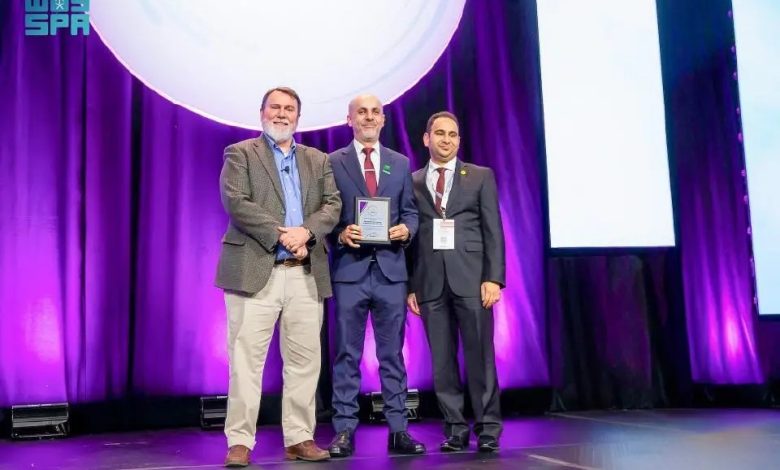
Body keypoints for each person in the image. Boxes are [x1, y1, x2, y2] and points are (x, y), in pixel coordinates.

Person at [215, 86, 341, 467]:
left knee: (305, 360)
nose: (282, 114)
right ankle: (240, 441)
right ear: (262, 113)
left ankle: (300, 437)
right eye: (275, 107)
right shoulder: (240, 153)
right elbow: (236, 201)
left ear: (298, 118)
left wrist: (306, 232)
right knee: (245, 361)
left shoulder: (317, 159)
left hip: (305, 272)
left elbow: (332, 204)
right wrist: (283, 235)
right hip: (256, 269)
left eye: (289, 109)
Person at [327, 94, 424, 457]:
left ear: (383, 119)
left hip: (390, 272)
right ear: (349, 119)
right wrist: (340, 234)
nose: (369, 117)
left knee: (392, 355)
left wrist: (406, 230)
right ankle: (344, 431)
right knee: (347, 354)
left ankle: (399, 430)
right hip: (350, 272)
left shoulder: (400, 163)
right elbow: (325, 213)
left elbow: (410, 212)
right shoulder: (332, 162)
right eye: (361, 112)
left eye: (375, 112)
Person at [407, 111, 505, 453]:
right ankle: (455, 429)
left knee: (481, 358)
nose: (446, 139)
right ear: (427, 139)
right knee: (442, 362)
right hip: (431, 283)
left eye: (452, 134)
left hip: (473, 281)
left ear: (459, 140)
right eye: (440, 133)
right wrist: (411, 286)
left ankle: (488, 427)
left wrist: (493, 278)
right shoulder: (413, 181)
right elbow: (411, 240)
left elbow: (493, 230)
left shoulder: (480, 176)